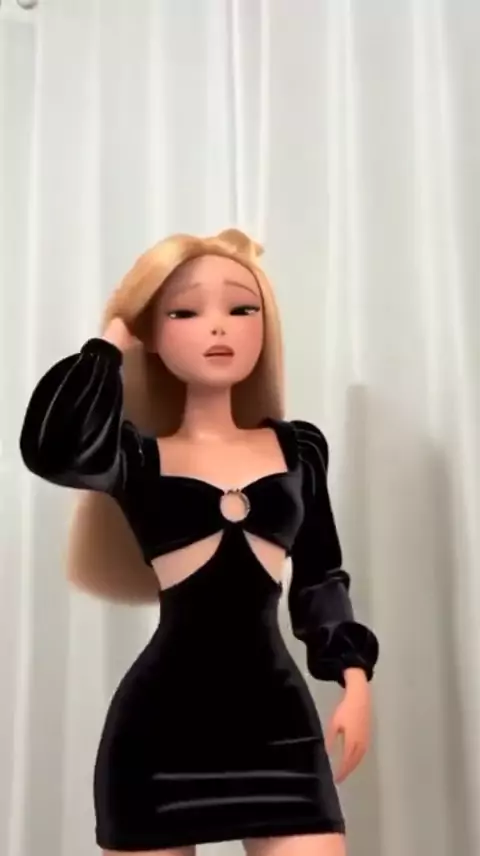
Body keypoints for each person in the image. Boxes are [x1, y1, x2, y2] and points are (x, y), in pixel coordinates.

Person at [19, 228, 379, 856]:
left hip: (279, 732)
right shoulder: (134, 458)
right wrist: (109, 343)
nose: (218, 327)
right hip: (157, 737)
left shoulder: (299, 450)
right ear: (153, 338)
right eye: (184, 313)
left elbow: (321, 575)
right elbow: (55, 449)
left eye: (241, 308)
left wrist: (355, 680)